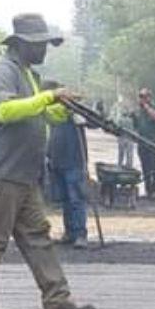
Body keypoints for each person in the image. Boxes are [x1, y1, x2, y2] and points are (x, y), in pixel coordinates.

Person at [0, 13, 96, 309]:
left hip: (23, 176)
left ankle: (57, 300)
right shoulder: (2, 70)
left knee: (38, 238)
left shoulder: (27, 74)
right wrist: (49, 96)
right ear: (22, 43)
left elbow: (43, 116)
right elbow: (6, 111)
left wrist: (62, 107)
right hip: (0, 173)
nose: (44, 51)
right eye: (40, 45)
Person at [46, 82, 91, 248]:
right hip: (57, 159)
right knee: (65, 199)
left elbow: (95, 121)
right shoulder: (51, 111)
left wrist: (81, 117)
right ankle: (70, 231)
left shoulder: (74, 110)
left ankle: (80, 233)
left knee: (75, 198)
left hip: (74, 159)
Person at [132, 87, 155, 198]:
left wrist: (146, 107)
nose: (142, 99)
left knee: (154, 168)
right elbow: (136, 127)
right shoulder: (139, 111)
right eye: (140, 97)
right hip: (142, 144)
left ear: (149, 97)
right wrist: (134, 117)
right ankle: (148, 191)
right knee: (145, 168)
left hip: (154, 144)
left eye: (144, 97)